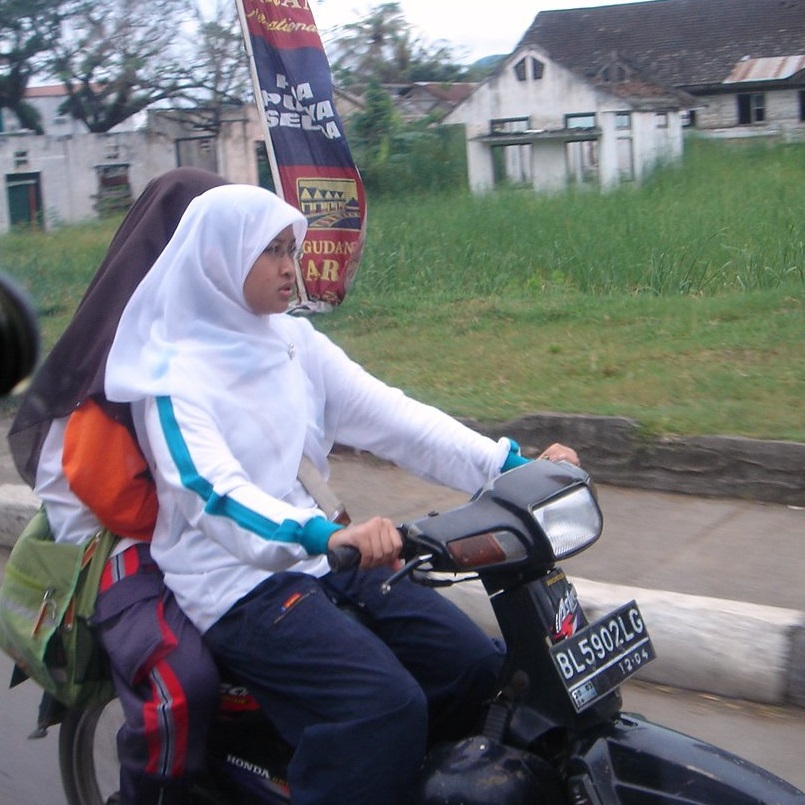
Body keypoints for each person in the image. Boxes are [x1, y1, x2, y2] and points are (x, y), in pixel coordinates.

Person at [103, 182, 579, 805]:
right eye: (271, 251)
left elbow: (395, 418)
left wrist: (507, 465)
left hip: (325, 556)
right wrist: (322, 534)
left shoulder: (292, 342)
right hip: (235, 584)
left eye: (291, 249)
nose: (289, 266)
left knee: (477, 666)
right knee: (381, 708)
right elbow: (213, 494)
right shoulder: (170, 377)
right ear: (221, 259)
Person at [7, 167, 230, 804]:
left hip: (198, 531)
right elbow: (97, 488)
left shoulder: (217, 324)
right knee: (183, 685)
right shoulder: (117, 341)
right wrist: (199, 521)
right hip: (117, 546)